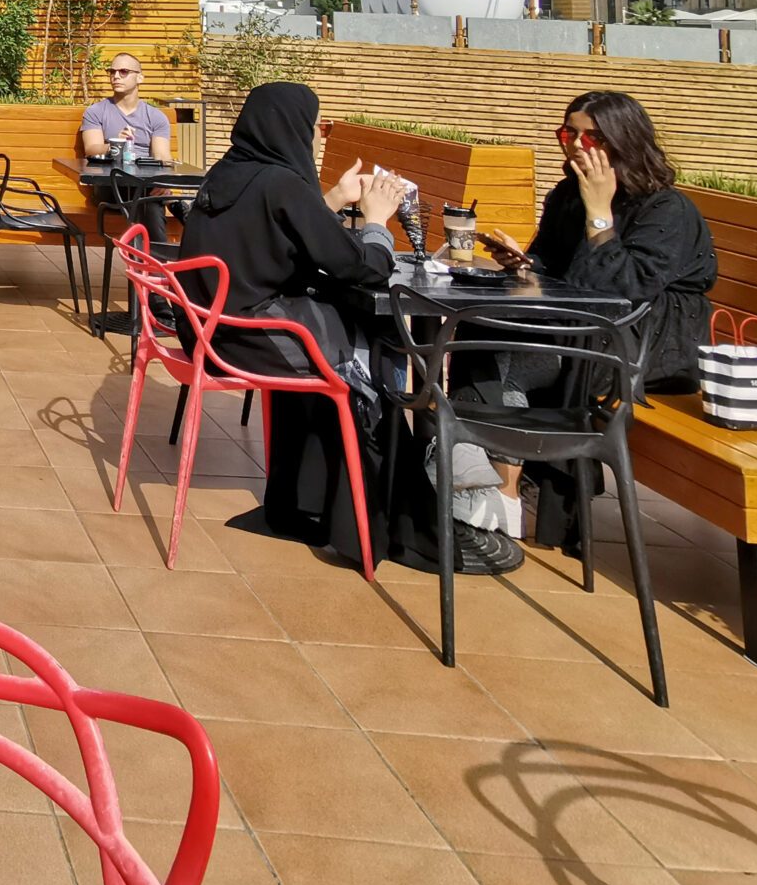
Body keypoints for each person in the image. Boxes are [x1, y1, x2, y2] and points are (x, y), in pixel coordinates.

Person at [175, 82, 512, 573]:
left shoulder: (233, 171)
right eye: (315, 127)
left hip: (207, 330)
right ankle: (383, 512)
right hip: (248, 338)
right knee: (373, 354)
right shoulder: (281, 183)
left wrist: (328, 199)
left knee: (358, 335)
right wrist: (376, 220)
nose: (314, 137)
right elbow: (363, 268)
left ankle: (313, 498)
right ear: (291, 127)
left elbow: (276, 234)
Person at [478, 89, 718, 533]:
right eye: (568, 132)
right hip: (585, 331)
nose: (574, 144)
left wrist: (600, 213)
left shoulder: (666, 208)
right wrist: (527, 265)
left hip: (645, 345)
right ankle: (475, 483)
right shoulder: (567, 195)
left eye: (590, 137)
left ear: (622, 142)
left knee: (507, 357)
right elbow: (559, 268)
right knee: (478, 341)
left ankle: (502, 498)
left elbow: (622, 291)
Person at [79, 54, 173, 162]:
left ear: (139, 78)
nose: (116, 76)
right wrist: (117, 144)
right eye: (112, 72)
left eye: (123, 71)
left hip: (144, 175)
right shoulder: (96, 112)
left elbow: (161, 155)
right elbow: (91, 149)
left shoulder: (156, 117)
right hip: (108, 173)